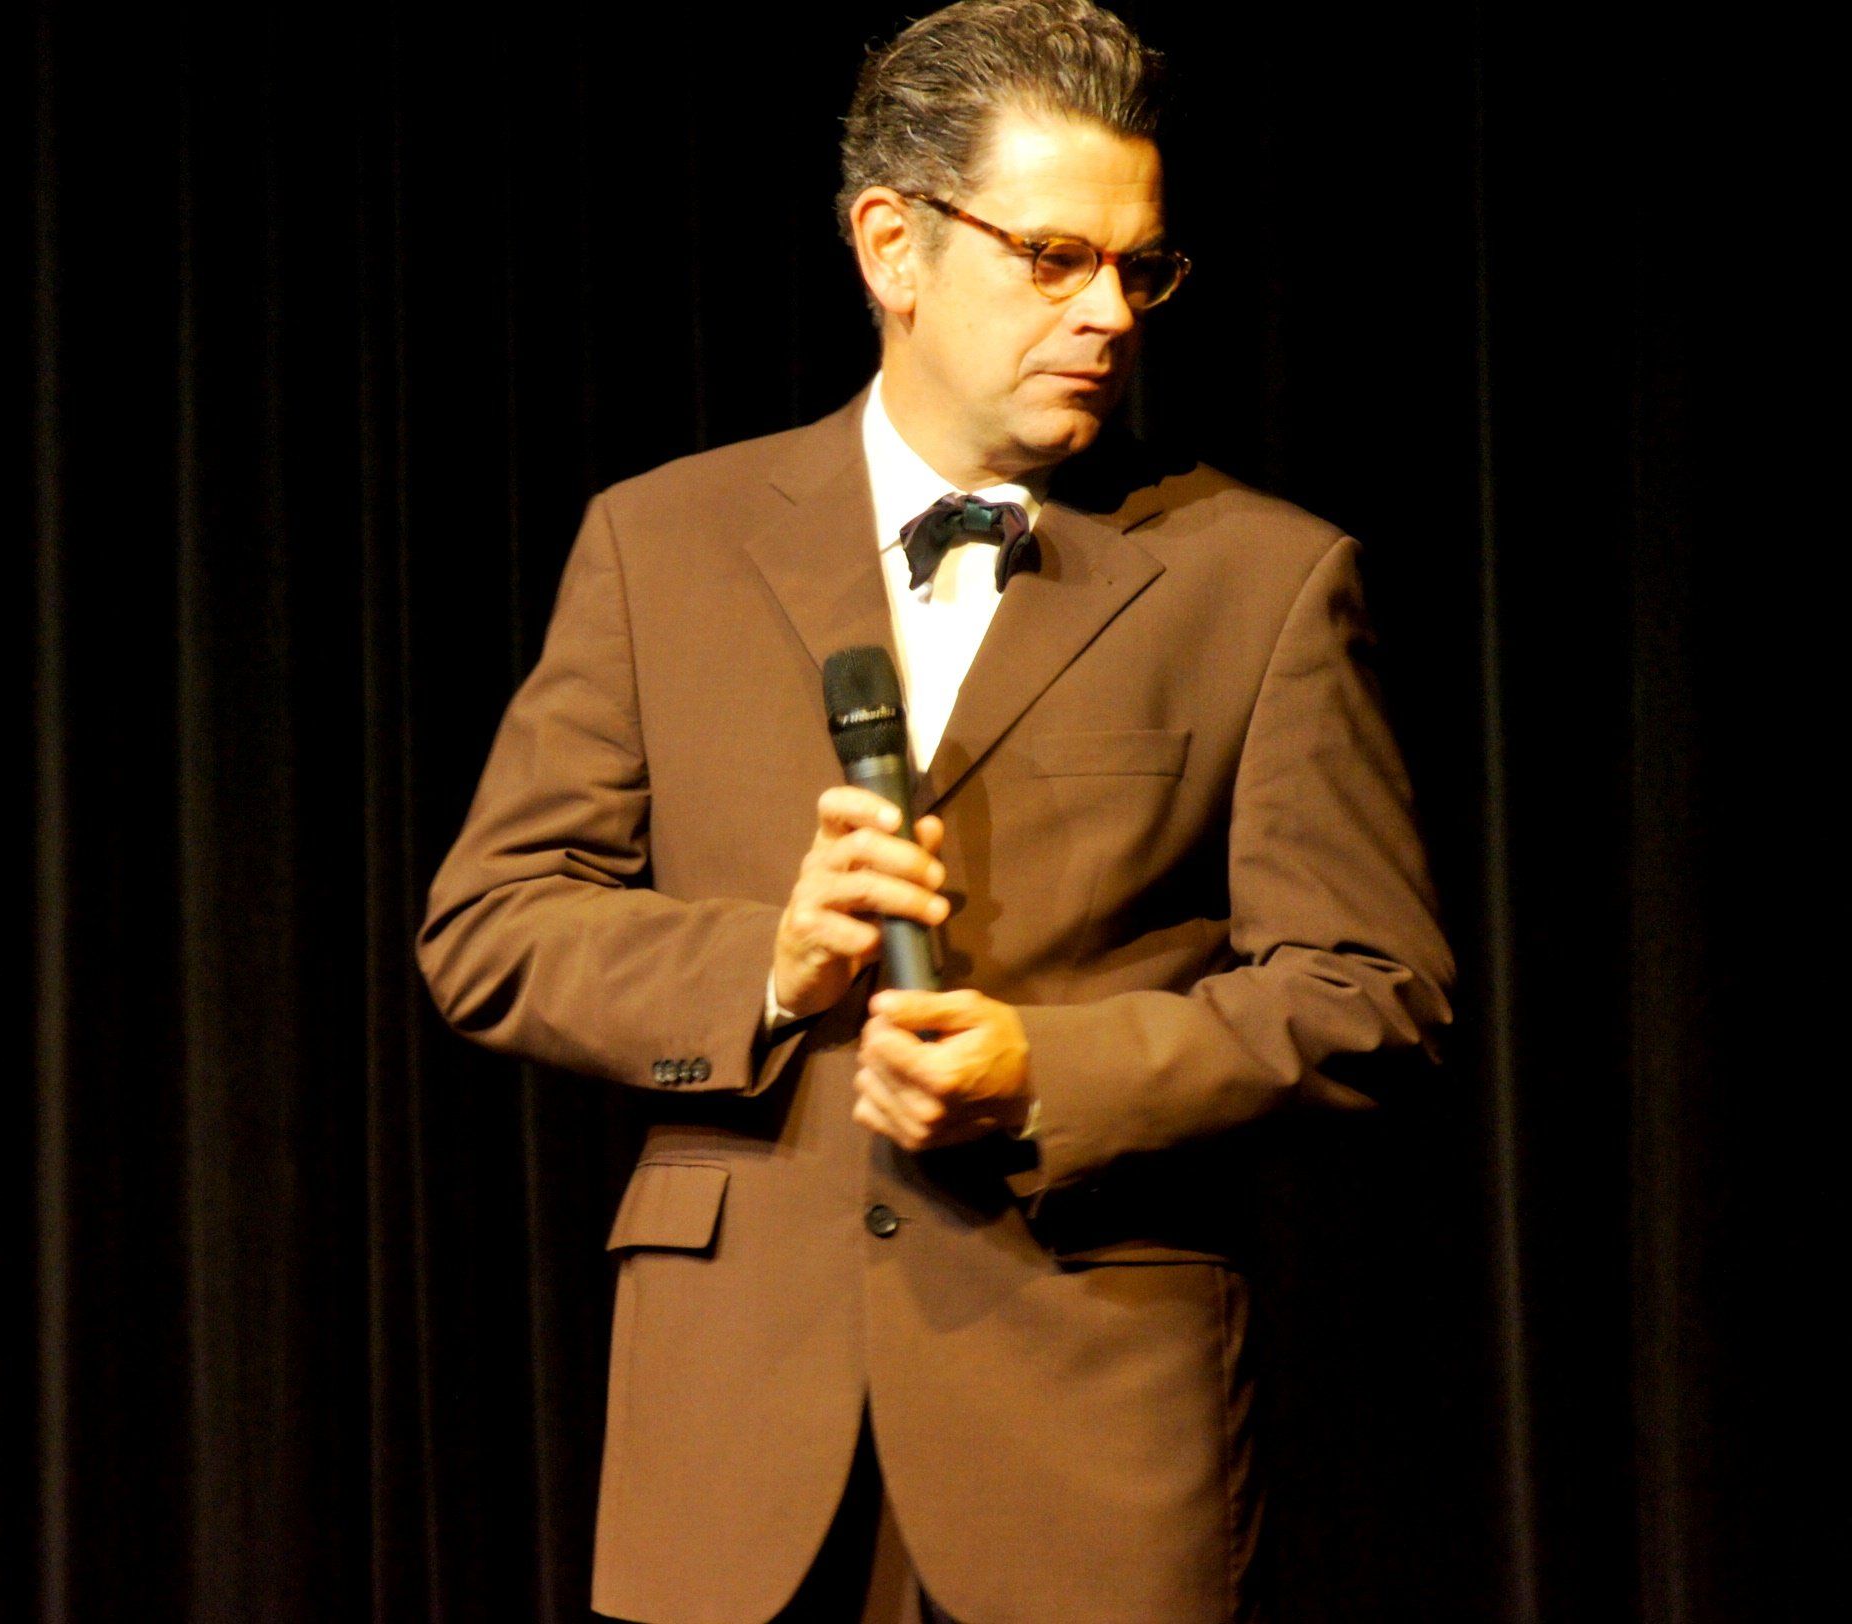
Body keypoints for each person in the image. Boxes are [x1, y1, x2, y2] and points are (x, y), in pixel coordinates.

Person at [415, 3, 1453, 1619]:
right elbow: (491, 929)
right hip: (732, 1438)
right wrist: (767, 967)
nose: (1107, 313)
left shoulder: (1263, 579)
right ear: (892, 246)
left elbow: (1370, 997)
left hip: (1085, 1426)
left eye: (1140, 269)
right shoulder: (660, 541)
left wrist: (1049, 1069)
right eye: (1054, 258)